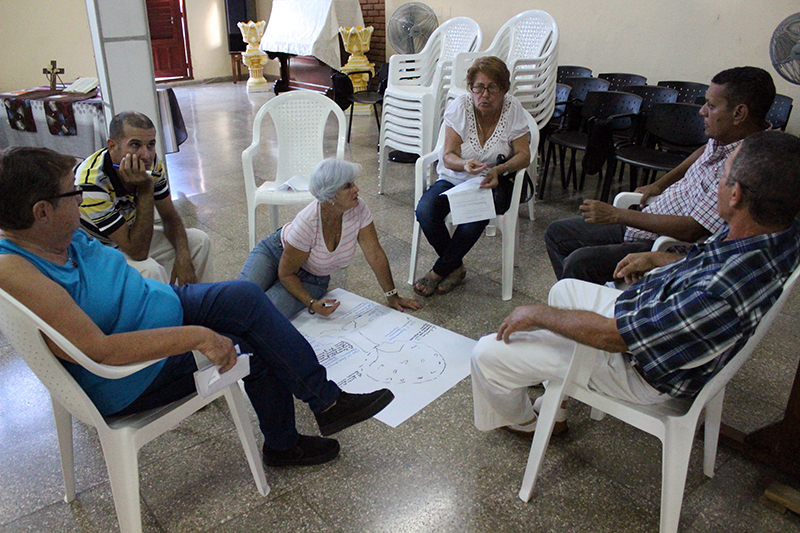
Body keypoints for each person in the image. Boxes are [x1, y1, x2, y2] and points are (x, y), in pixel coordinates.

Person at [0, 146, 395, 467]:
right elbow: (98, 350)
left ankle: (327, 400)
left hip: (161, 306)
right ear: (41, 212)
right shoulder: (17, 269)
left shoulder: (56, 235)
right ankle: (283, 445)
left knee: (246, 296)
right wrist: (198, 337)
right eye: (73, 193)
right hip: (133, 373)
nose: (81, 198)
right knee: (252, 347)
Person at [471, 130, 800, 435]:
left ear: (736, 194)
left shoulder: (719, 291)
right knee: (564, 289)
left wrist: (539, 315)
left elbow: (613, 337)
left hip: (640, 371)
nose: (717, 185)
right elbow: (707, 262)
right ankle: (554, 397)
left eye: (722, 177)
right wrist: (658, 258)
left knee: (488, 354)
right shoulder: (772, 230)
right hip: (651, 317)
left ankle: (527, 423)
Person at [544, 66, 776, 285]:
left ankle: (585, 304)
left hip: (664, 244)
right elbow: (702, 151)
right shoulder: (726, 135)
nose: (702, 111)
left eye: (711, 106)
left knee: (580, 263)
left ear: (739, 113)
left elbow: (692, 230)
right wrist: (659, 184)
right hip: (649, 220)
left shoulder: (746, 164)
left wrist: (617, 214)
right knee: (557, 233)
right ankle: (581, 296)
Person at [239, 158, 420, 318]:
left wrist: (392, 295)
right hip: (275, 252)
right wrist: (311, 303)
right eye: (347, 186)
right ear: (330, 195)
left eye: (353, 183)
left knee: (265, 312)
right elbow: (286, 274)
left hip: (313, 278)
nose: (356, 189)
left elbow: (375, 254)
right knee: (239, 297)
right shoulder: (307, 222)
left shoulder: (358, 208)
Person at [413, 56, 531, 296]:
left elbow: (524, 155)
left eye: (492, 88)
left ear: (504, 89)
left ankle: (437, 272)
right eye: (479, 87)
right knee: (425, 211)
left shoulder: (513, 109)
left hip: (488, 183)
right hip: (453, 179)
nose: (484, 95)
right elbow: (447, 156)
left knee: (473, 218)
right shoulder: (460, 107)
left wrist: (499, 169)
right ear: (471, 88)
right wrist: (464, 164)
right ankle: (455, 268)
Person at [76, 111, 213, 285]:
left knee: (199, 241)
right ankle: (164, 302)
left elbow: (169, 217)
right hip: (96, 250)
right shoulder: (91, 182)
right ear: (112, 146)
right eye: (135, 145)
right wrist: (146, 188)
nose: (146, 155)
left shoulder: (152, 164)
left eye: (150, 145)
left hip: (128, 236)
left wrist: (183, 256)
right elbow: (138, 252)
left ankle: (198, 298)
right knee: (148, 268)